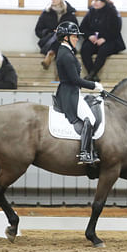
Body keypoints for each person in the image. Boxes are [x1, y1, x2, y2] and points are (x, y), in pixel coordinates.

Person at [55, 21, 104, 164]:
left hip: (71, 91)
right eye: (74, 36)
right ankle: (84, 153)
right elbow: (75, 80)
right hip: (69, 94)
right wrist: (94, 85)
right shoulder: (65, 55)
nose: (77, 39)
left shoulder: (66, 52)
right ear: (65, 37)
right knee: (91, 118)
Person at [80, 0, 125, 82]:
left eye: (97, 0)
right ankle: (92, 74)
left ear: (103, 2)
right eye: (93, 0)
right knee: (85, 49)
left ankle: (93, 73)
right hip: (94, 40)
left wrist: (104, 38)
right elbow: (82, 27)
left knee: (104, 50)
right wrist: (89, 36)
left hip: (110, 40)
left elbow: (116, 29)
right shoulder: (91, 12)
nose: (94, 3)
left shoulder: (112, 12)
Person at [35, 0, 78, 70]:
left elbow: (76, 31)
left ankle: (51, 54)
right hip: (48, 41)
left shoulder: (69, 14)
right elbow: (38, 30)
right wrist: (48, 33)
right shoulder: (46, 13)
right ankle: (60, 76)